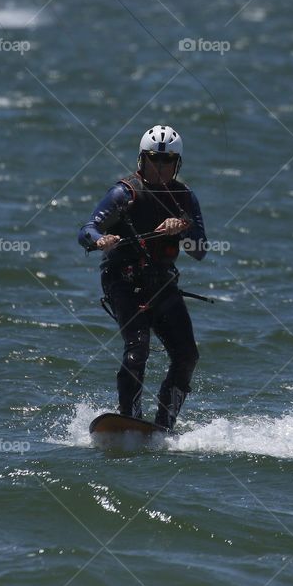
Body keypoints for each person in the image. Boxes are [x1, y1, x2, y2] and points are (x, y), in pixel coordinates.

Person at [78, 125, 207, 431]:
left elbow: (199, 250)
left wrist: (183, 229)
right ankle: (130, 417)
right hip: (122, 282)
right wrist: (99, 241)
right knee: (138, 350)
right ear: (141, 159)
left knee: (187, 355)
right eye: (153, 160)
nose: (159, 168)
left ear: (177, 164)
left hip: (161, 283)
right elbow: (86, 229)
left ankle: (164, 425)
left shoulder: (185, 199)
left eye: (167, 162)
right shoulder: (124, 193)